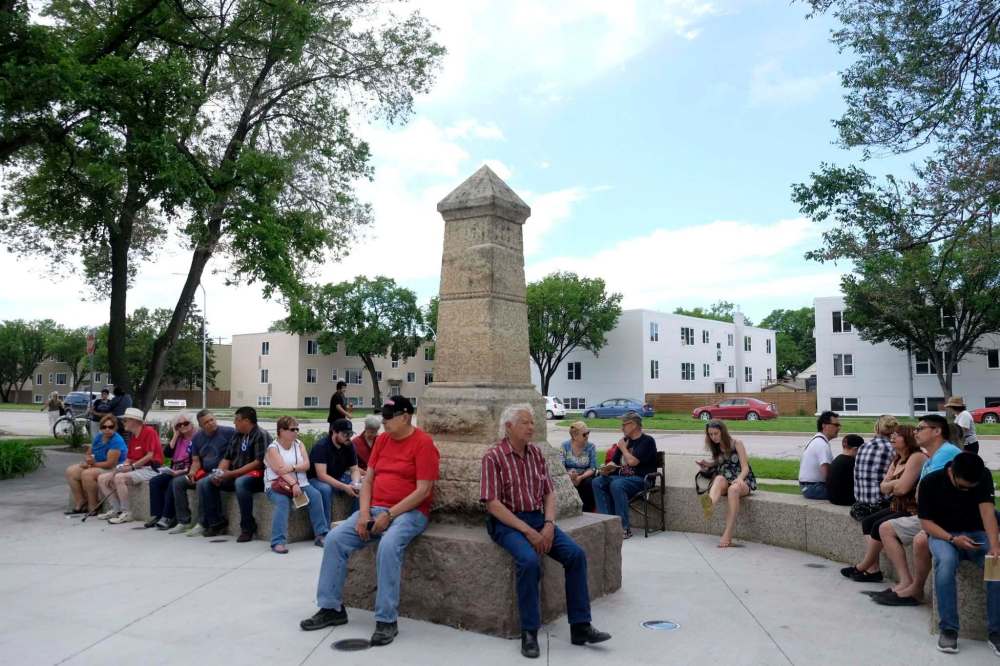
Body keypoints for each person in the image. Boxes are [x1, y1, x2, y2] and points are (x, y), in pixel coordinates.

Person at [300, 396, 438, 647]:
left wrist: (390, 515)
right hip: (375, 508)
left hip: (410, 512)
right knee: (334, 539)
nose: (383, 421)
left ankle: (386, 620)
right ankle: (332, 609)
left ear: (405, 416)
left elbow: (423, 490)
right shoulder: (383, 441)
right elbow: (369, 481)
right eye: (382, 416)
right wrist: (364, 514)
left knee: (388, 546)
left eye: (388, 417)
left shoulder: (424, 444)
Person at [481, 405, 611, 659]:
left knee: (575, 555)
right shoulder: (493, 456)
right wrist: (529, 532)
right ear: (509, 427)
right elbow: (492, 504)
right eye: (525, 423)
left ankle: (580, 626)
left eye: (532, 422)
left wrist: (549, 525)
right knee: (529, 562)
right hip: (507, 523)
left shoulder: (536, 454)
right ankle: (529, 631)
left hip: (538, 518)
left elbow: (549, 492)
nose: (532, 427)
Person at [872, 413, 962, 607]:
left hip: (942, 518)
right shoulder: (933, 457)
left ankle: (915, 589)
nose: (916, 432)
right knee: (884, 527)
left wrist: (894, 485)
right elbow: (919, 491)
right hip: (929, 515)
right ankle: (908, 583)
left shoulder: (946, 453)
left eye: (920, 428)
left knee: (916, 537)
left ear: (937, 431)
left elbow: (921, 492)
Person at [918, 452, 1000, 654]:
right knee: (946, 563)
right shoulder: (930, 482)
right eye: (963, 486)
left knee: (996, 566)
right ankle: (948, 629)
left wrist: (995, 545)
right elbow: (926, 523)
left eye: (971, 487)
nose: (967, 490)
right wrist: (953, 539)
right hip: (944, 534)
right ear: (951, 472)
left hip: (977, 533)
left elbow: (988, 512)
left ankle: (996, 632)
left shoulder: (982, 476)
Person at [840, 424, 926, 583]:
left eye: (897, 435)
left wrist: (893, 484)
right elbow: (884, 487)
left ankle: (863, 567)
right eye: (892, 434)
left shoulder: (917, 457)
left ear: (907, 438)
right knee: (867, 521)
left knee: (878, 525)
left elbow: (902, 489)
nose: (892, 438)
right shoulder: (897, 459)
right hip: (897, 505)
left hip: (912, 509)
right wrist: (895, 484)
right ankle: (872, 569)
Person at [197, 406, 270, 541]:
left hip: (256, 477)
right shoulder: (237, 435)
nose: (234, 423)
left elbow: (258, 462)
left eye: (236, 420)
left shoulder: (261, 434)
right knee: (206, 481)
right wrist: (219, 473)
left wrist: (232, 474)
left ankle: (248, 527)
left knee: (241, 483)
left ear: (246, 421)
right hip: (235, 474)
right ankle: (216, 522)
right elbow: (227, 457)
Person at [264, 416, 329, 554]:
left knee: (316, 496)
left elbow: (306, 465)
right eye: (292, 429)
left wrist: (293, 468)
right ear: (281, 431)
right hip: (277, 485)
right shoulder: (273, 448)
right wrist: (293, 483)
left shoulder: (299, 444)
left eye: (297, 429)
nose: (295, 432)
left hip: (302, 483)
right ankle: (278, 541)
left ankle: (321, 535)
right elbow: (279, 471)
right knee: (282, 503)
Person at [169, 409, 235, 536]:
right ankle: (184, 521)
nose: (210, 423)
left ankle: (202, 523)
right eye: (206, 422)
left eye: (212, 420)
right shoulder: (198, 437)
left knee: (202, 483)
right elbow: (196, 460)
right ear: (200, 426)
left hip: (222, 472)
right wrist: (192, 472)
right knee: (178, 482)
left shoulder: (229, 432)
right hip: (204, 471)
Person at [592, 411, 657, 539]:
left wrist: (623, 448)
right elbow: (614, 461)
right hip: (622, 478)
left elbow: (632, 462)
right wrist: (606, 468)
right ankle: (608, 523)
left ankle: (624, 528)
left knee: (617, 484)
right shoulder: (625, 441)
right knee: (598, 481)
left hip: (642, 479)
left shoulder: (647, 441)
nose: (621, 428)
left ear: (633, 425)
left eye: (624, 424)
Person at [96, 407, 164, 524]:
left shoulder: (149, 432)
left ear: (135, 421)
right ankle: (116, 509)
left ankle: (127, 512)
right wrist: (118, 469)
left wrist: (131, 467)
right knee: (103, 478)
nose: (123, 423)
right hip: (138, 469)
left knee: (119, 478)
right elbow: (129, 458)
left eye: (126, 420)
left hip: (151, 469)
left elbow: (149, 455)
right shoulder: (133, 436)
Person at [697, 420, 757, 548]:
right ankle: (710, 505)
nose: (713, 437)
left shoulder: (737, 443)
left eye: (716, 433)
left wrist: (740, 479)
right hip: (725, 478)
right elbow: (720, 462)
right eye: (710, 434)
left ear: (723, 432)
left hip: (742, 480)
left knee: (733, 490)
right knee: (718, 479)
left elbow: (745, 467)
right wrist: (708, 464)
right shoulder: (716, 445)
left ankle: (728, 534)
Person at [65, 414, 128, 514]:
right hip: (97, 464)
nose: (107, 429)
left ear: (115, 427)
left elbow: (110, 464)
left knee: (87, 474)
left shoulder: (117, 441)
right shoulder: (99, 437)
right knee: (71, 471)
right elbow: (89, 453)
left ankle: (93, 505)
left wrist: (91, 465)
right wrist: (87, 460)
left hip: (113, 468)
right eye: (104, 427)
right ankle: (80, 501)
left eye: (110, 427)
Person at [144, 413, 195, 530]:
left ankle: (168, 517)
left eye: (185, 423)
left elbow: (198, 461)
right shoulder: (179, 439)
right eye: (179, 425)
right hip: (175, 470)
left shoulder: (197, 438)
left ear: (192, 424)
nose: (182, 427)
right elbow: (167, 453)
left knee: (173, 483)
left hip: (189, 470)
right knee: (155, 481)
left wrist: (182, 471)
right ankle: (158, 515)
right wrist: (175, 435)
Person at [310, 418, 362, 526]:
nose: (348, 437)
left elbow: (355, 469)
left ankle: (354, 524)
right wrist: (344, 486)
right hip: (315, 479)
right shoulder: (322, 447)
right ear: (334, 432)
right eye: (345, 434)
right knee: (325, 489)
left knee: (363, 487)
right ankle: (324, 531)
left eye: (350, 433)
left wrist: (355, 483)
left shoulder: (349, 445)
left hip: (338, 476)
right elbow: (321, 475)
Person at [851, 415, 896, 520]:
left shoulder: (862, 447)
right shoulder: (892, 448)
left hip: (860, 504)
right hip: (880, 505)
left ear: (876, 428)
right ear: (894, 431)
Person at [799, 411, 840, 499]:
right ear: (824, 425)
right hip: (814, 488)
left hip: (809, 487)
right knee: (847, 494)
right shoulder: (821, 444)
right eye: (836, 425)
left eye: (839, 425)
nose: (838, 428)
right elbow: (825, 471)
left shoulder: (817, 440)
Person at [560, 421, 597, 512]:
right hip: (569, 475)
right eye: (584, 434)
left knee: (589, 483)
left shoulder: (591, 447)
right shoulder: (565, 446)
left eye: (588, 432)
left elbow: (592, 468)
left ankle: (587, 511)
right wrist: (569, 475)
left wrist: (581, 477)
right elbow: (561, 465)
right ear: (575, 436)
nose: (587, 436)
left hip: (585, 475)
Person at [828, 434, 864, 506]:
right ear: (855, 449)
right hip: (846, 500)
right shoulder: (852, 463)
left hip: (833, 498)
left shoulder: (837, 459)